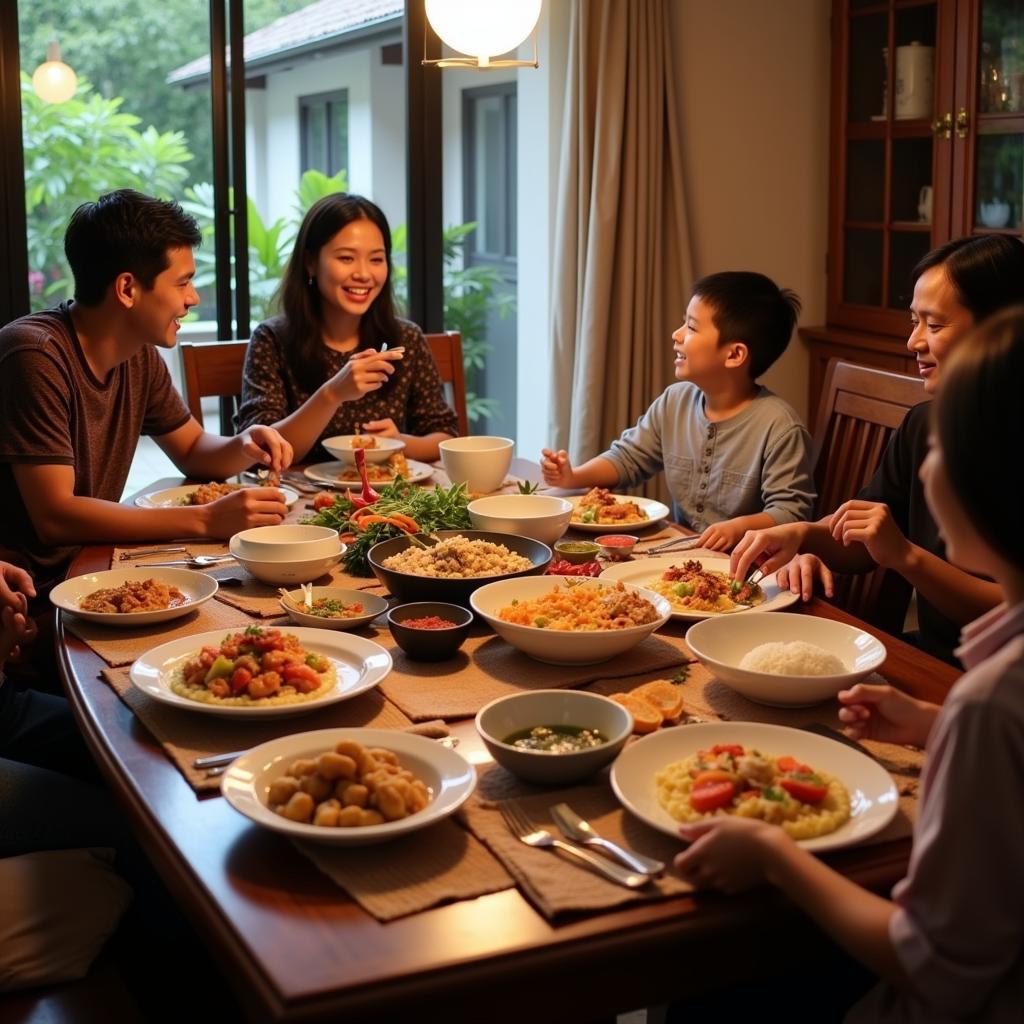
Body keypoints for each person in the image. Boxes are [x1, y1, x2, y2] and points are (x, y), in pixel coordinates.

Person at [674, 306, 1024, 1022]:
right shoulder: (988, 696)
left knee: (718, 973)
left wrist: (774, 856)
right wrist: (930, 720)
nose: (925, 462)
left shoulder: (992, 700)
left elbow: (932, 966)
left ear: (989, 477)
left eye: (943, 445)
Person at [730, 235, 1024, 664]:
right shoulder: (926, 424)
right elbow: (864, 539)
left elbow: (1013, 610)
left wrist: (906, 556)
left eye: (935, 325)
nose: (914, 342)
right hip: (934, 658)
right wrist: (801, 535)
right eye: (914, 321)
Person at [0, 189, 293, 592]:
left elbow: (191, 450)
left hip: (93, 566)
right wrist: (205, 519)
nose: (192, 299)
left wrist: (243, 444)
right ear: (126, 289)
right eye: (183, 282)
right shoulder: (35, 355)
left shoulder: (137, 354)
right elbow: (55, 516)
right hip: (27, 590)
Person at [541, 271, 815, 549]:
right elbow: (628, 458)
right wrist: (574, 476)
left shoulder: (779, 426)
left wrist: (739, 528)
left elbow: (791, 513)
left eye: (692, 328)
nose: (677, 334)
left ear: (734, 355)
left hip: (750, 566)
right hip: (683, 552)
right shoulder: (675, 401)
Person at [236, 193, 459, 464]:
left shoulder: (405, 340)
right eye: (346, 258)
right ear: (310, 263)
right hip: (299, 499)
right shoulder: (272, 340)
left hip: (388, 501)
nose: (364, 274)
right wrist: (332, 394)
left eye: (376, 259)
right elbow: (262, 448)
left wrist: (399, 442)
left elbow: (445, 436)